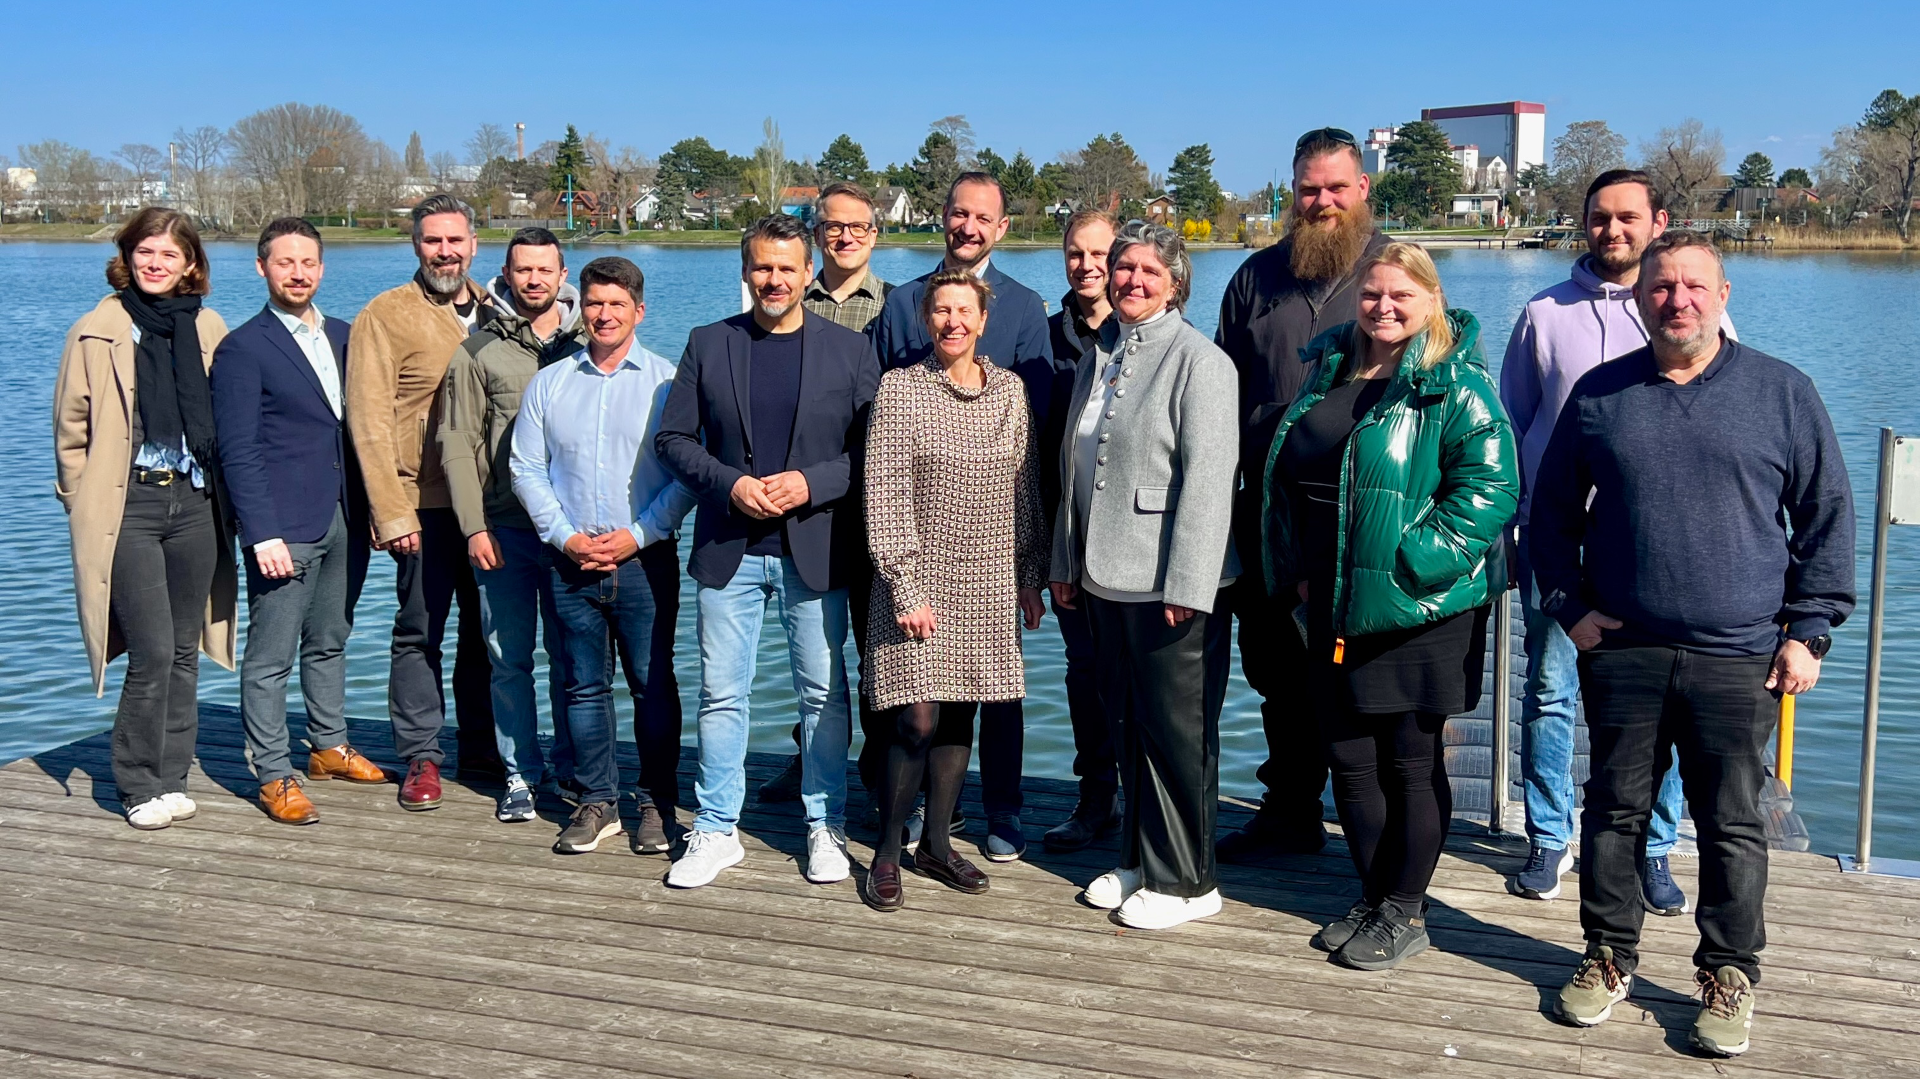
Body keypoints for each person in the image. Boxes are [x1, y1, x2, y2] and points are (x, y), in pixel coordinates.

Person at [1531, 232, 1854, 1057]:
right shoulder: (1602, 395)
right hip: (1624, 647)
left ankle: (1728, 971)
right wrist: (1569, 606)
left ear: (1725, 293)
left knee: (1732, 822)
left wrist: (1810, 631)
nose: (1677, 299)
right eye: (1661, 286)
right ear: (1639, 299)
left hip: (1742, 652)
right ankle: (1607, 955)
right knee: (1612, 812)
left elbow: (1825, 518)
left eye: (1693, 285)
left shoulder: (1783, 392)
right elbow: (1552, 513)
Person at [1263, 243, 1518, 970]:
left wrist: (1411, 563)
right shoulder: (1332, 365)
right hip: (1330, 602)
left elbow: (1490, 488)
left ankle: (1405, 906)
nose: (1383, 307)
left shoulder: (1455, 385)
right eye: (1372, 294)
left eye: (1401, 295)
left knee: (1408, 759)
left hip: (1417, 608)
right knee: (1346, 758)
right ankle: (1377, 895)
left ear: (1431, 300)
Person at [1499, 170, 1734, 913]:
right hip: (1559, 543)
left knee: (1664, 703)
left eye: (1628, 217)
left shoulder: (1688, 307)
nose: (1613, 231)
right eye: (1599, 218)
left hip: (1658, 548)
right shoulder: (1544, 313)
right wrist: (1517, 530)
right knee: (1548, 690)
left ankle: (1655, 847)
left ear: (1657, 220)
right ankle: (1547, 834)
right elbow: (1511, 426)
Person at [656, 215, 880, 888]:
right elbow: (673, 440)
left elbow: (872, 451)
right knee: (722, 694)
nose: (774, 279)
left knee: (823, 694)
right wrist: (732, 484)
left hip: (816, 549)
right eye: (761, 266)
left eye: (787, 267)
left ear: (808, 272)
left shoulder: (850, 350)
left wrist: (811, 482)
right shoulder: (708, 342)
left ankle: (825, 824)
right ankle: (718, 827)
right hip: (730, 548)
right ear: (745, 270)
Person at [1050, 221, 1239, 930]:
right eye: (1121, 267)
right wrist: (1066, 563)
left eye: (1145, 270)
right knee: (1127, 723)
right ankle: (1138, 857)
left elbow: (1209, 482)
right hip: (1104, 578)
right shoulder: (1104, 356)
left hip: (1170, 584)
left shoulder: (1201, 361)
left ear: (1176, 281)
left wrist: (1187, 585)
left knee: (1176, 731)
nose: (1130, 279)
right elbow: (1078, 469)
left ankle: (1188, 880)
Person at [1214, 128, 1393, 861]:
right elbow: (1219, 392)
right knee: (1277, 671)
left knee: (1362, 678)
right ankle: (1289, 809)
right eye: (1308, 189)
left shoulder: (1396, 272)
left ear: (1362, 191)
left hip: (1363, 514)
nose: (1321, 202)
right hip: (1266, 511)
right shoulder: (1257, 278)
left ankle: (1377, 839)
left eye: (1335, 188)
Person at [872, 172, 1052, 862]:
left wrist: (1030, 568)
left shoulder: (1025, 311)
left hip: (989, 560)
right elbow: (881, 443)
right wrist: (900, 570)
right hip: (916, 550)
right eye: (958, 213)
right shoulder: (900, 312)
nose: (969, 226)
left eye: (983, 216)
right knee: (914, 710)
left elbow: (1024, 466)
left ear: (1001, 226)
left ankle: (991, 813)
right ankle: (897, 831)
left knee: (981, 700)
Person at [53, 207, 236, 830]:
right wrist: (82, 498)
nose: (156, 264)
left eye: (169, 254)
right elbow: (70, 431)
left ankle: (172, 775)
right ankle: (135, 786)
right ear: (127, 256)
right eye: (145, 252)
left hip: (197, 502)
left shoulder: (209, 327)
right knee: (152, 650)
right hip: (127, 506)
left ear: (190, 264)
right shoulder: (97, 329)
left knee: (186, 648)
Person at [511, 256, 695, 856]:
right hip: (570, 560)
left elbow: (686, 476)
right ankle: (597, 801)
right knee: (582, 687)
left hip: (643, 559)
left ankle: (654, 801)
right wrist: (564, 536)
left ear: (639, 311)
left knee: (652, 685)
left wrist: (637, 535)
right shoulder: (551, 383)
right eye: (594, 303)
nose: (604, 314)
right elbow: (526, 469)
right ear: (579, 308)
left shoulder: (667, 383)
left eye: (617, 304)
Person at [211, 217, 379, 826]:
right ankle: (275, 773)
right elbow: (237, 449)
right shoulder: (242, 348)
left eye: (308, 262)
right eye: (285, 263)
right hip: (283, 527)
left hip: (345, 516)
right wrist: (260, 531)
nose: (298, 273)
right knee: (270, 656)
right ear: (262, 268)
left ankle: (329, 746)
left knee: (331, 638)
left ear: (322, 267)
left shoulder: (345, 335)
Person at [346, 193, 502, 811]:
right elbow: (368, 421)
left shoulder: (499, 311)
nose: (446, 252)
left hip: (491, 505)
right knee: (420, 631)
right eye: (433, 241)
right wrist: (390, 512)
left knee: (488, 630)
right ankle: (421, 755)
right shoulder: (385, 316)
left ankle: (485, 746)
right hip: (422, 501)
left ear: (473, 244)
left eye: (455, 241)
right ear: (416, 245)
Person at [439, 227, 585, 823]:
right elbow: (456, 444)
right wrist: (473, 527)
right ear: (506, 272)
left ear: (561, 274)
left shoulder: (591, 340)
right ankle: (520, 772)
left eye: (544, 270)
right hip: (505, 529)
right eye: (522, 270)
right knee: (510, 658)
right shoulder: (477, 352)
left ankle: (576, 768)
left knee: (574, 658)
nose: (533, 280)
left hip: (575, 532)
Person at [759, 180, 895, 806]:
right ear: (816, 236)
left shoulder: (895, 308)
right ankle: (811, 756)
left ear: (875, 235)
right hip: (800, 506)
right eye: (833, 227)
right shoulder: (783, 297)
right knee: (811, 647)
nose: (845, 237)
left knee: (876, 649)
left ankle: (877, 771)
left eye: (858, 228)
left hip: (872, 500)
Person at [1040, 209, 1122, 852]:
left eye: (1101, 254)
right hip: (1065, 537)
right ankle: (1095, 797)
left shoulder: (1144, 334)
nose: (1087, 265)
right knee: (1083, 669)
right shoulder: (1041, 341)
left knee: (1137, 674)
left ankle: (1148, 796)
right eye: (1075, 253)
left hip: (1131, 540)